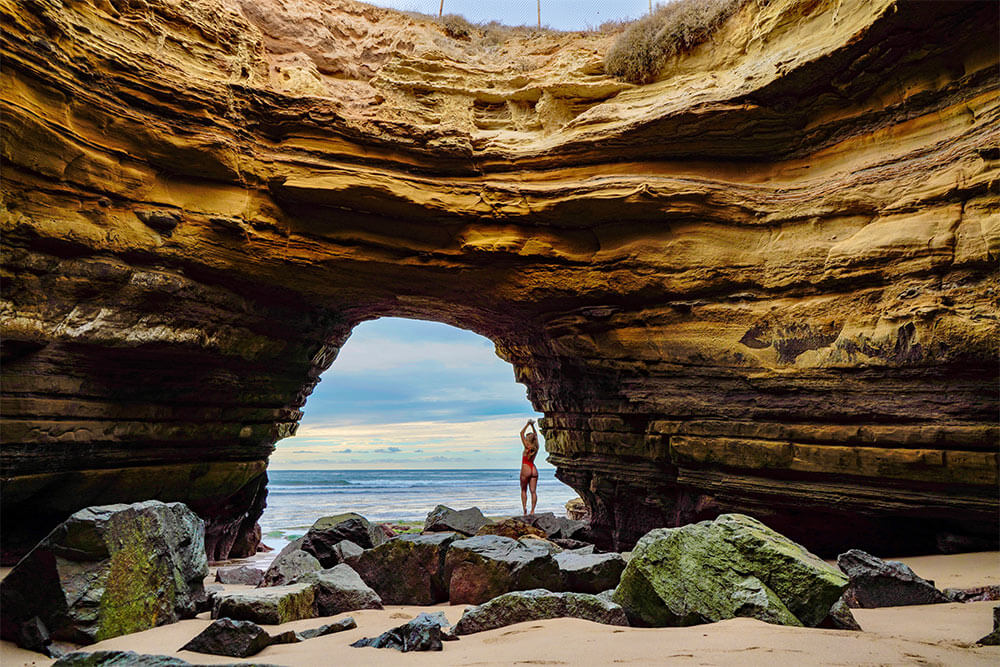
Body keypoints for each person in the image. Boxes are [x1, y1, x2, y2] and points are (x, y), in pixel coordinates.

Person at [519, 419, 539, 516]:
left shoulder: (527, 446)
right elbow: (536, 436)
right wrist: (533, 426)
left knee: (523, 490)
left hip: (526, 468)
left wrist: (528, 424)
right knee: (533, 491)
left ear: (528, 439)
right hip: (533, 469)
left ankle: (525, 510)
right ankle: (532, 511)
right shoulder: (536, 447)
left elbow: (521, 433)